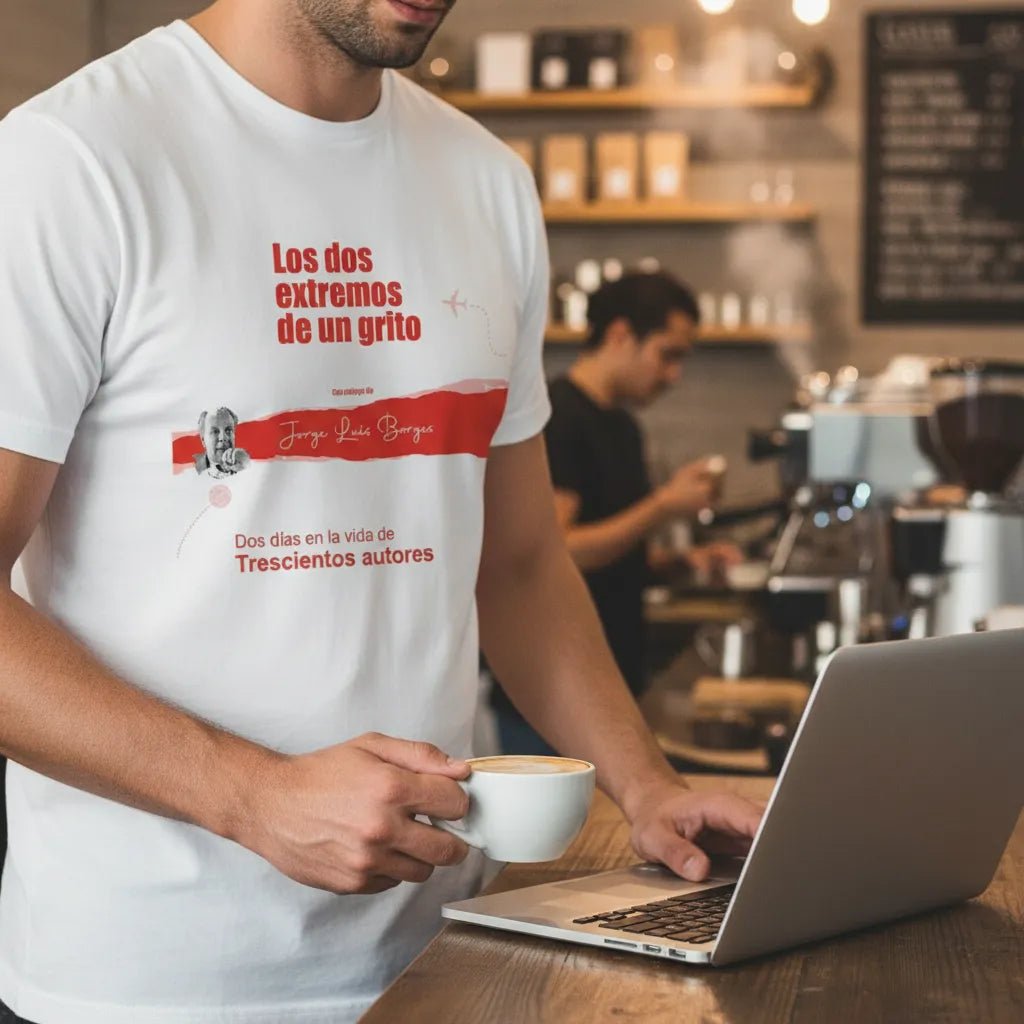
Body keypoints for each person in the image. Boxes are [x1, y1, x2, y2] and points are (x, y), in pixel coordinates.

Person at [0, 3, 762, 1022]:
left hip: (441, 958)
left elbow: (522, 562)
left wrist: (649, 785)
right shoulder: (69, 161)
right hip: (148, 982)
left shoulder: (485, 180)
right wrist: (251, 794)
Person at [490, 272, 742, 756]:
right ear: (621, 334)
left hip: (606, 686)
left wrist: (679, 563)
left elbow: (612, 552)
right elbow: (558, 552)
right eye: (668, 355)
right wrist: (664, 505)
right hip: (550, 693)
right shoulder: (558, 419)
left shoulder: (623, 427)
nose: (674, 375)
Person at [195, 406, 251, 477]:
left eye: (228, 430)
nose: (223, 438)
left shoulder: (245, 465)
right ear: (203, 440)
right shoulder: (193, 472)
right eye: (215, 431)